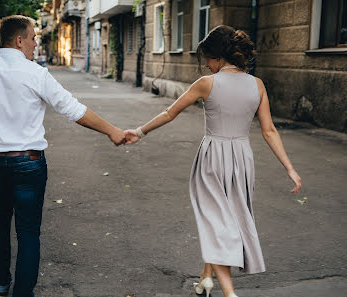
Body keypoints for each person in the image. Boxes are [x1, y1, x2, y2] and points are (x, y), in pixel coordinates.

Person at [124, 25, 301, 297]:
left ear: (219, 57)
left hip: (213, 159)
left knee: (216, 224)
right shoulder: (257, 85)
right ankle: (206, 277)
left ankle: (229, 294)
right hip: (243, 160)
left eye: (207, 58)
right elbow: (269, 130)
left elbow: (170, 113)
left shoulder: (207, 83)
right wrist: (290, 168)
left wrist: (138, 131)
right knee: (224, 220)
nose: (205, 64)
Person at [0, 15, 125, 297]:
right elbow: (73, 109)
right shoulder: (35, 73)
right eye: (33, 38)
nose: (36, 43)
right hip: (29, 163)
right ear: (20, 40)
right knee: (28, 231)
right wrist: (112, 131)